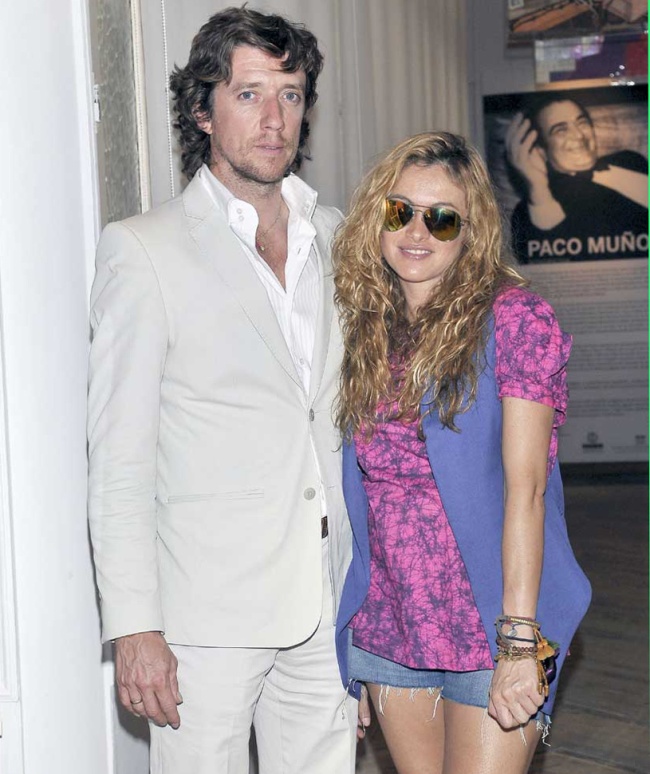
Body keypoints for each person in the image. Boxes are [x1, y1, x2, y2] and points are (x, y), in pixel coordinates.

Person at [87, 7, 356, 773]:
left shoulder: (337, 235)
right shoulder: (144, 250)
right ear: (202, 111)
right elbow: (120, 459)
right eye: (248, 94)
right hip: (202, 619)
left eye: (291, 95)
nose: (274, 119)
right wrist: (134, 625)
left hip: (325, 597)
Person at [332, 131, 592, 774]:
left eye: (442, 218)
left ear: (470, 233)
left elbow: (528, 491)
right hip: (391, 620)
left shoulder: (516, 321)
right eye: (400, 211)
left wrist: (519, 641)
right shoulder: (362, 327)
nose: (416, 232)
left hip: (492, 617)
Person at [506, 93, 648, 263]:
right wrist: (539, 189)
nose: (579, 135)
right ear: (541, 150)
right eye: (561, 130)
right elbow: (552, 265)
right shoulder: (532, 207)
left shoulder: (630, 160)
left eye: (582, 123)